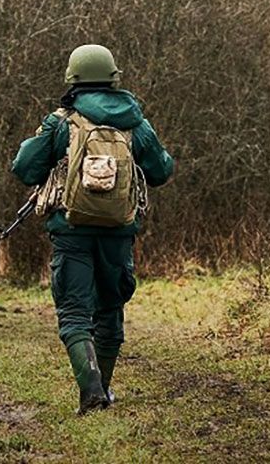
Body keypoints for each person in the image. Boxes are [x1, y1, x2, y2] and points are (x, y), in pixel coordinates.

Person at [11, 43, 175, 413]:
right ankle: (104, 388)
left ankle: (91, 391)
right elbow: (161, 171)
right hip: (119, 232)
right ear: (114, 78)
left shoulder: (61, 122)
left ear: (73, 79)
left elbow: (24, 168)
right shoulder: (135, 123)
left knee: (74, 313)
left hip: (71, 230)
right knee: (110, 309)